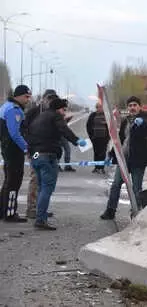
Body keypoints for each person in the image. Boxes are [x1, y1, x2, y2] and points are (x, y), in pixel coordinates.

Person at [27, 97, 87, 230]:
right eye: (64, 110)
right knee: (47, 188)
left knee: (41, 187)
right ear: (58, 109)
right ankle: (40, 219)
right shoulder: (55, 116)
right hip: (47, 155)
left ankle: (40, 213)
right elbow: (64, 130)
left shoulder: (40, 117)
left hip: (35, 156)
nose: (65, 113)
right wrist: (77, 141)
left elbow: (29, 134)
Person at [100, 96, 147, 220]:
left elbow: (146, 130)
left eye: (135, 105)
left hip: (138, 160)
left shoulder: (145, 118)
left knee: (136, 187)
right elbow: (120, 140)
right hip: (124, 159)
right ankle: (110, 210)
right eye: (130, 105)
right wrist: (111, 154)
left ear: (139, 106)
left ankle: (136, 212)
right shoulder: (126, 121)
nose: (132, 108)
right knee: (116, 184)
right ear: (127, 107)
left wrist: (141, 124)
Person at [23, 89, 58, 218]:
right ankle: (31, 208)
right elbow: (24, 128)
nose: (50, 101)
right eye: (49, 98)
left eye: (53, 99)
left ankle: (40, 208)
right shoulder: (34, 112)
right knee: (35, 178)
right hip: (35, 151)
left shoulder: (53, 113)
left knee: (45, 181)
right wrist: (29, 145)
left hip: (49, 151)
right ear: (43, 99)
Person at [0, 85, 32, 222]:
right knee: (14, 182)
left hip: (7, 148)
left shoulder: (5, 106)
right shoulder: (15, 110)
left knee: (8, 181)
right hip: (14, 150)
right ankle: (10, 213)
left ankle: (2, 210)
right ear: (18, 96)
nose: (28, 99)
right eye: (26, 96)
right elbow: (15, 133)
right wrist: (26, 148)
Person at [86, 102, 109, 174]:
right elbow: (88, 126)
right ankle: (96, 167)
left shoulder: (106, 116)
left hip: (104, 138)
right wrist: (91, 136)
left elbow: (110, 127)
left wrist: (108, 137)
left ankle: (101, 168)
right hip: (95, 138)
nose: (99, 108)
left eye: (101, 107)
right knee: (96, 152)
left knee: (103, 153)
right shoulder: (93, 115)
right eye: (98, 107)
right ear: (96, 108)